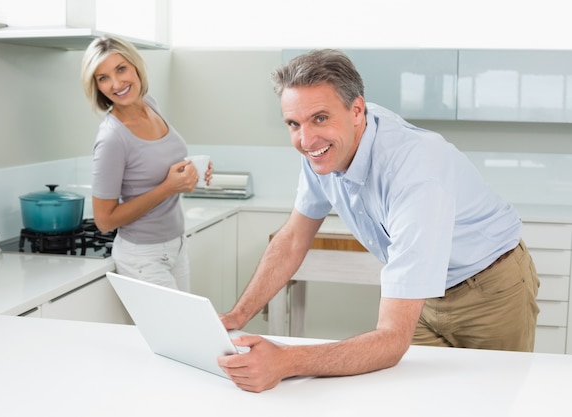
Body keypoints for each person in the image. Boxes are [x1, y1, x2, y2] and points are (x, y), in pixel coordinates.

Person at [218, 49, 539, 392]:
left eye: (320, 118)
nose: (306, 139)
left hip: (491, 290)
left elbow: (391, 339)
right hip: (423, 298)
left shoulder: (415, 170)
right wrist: (238, 315)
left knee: (492, 399)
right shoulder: (322, 151)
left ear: (356, 110)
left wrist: (286, 361)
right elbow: (295, 237)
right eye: (294, 124)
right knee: (411, 398)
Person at [80, 35, 212, 291]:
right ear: (96, 86)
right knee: (173, 329)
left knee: (183, 330)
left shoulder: (150, 105)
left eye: (121, 69)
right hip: (143, 255)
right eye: (103, 77)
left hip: (176, 244)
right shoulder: (112, 138)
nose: (117, 83)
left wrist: (192, 170)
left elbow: (156, 164)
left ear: (135, 66)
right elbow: (104, 221)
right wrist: (168, 187)